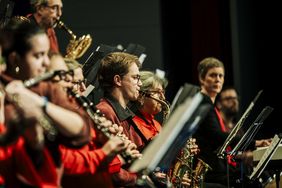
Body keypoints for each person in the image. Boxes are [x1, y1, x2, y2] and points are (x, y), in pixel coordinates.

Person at [0, 21, 90, 187]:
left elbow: (82, 132)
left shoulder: (47, 89)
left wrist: (39, 103)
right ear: (14, 59)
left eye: (46, 54)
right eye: (38, 56)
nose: (46, 64)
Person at [192, 57, 271, 188]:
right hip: (210, 171)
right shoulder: (203, 101)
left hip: (215, 168)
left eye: (220, 76)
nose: (217, 79)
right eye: (212, 75)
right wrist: (256, 143)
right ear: (202, 79)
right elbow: (217, 136)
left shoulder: (208, 103)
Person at [96, 52, 144, 187]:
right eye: (135, 78)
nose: (140, 83)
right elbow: (112, 170)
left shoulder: (123, 112)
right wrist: (139, 179)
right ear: (118, 80)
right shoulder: (105, 112)